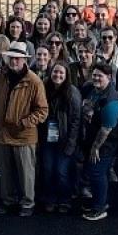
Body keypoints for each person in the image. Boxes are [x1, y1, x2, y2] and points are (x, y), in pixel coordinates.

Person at [0, 42, 48, 216]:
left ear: (24, 59)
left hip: (24, 134)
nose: (14, 61)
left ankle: (27, 203)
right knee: (6, 172)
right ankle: (8, 201)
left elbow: (43, 110)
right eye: (11, 58)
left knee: (26, 173)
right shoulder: (2, 76)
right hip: (4, 132)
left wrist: (24, 122)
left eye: (17, 58)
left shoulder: (34, 81)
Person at [80, 64, 118, 222]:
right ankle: (99, 201)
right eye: (94, 75)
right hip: (94, 135)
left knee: (96, 172)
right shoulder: (94, 90)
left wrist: (95, 148)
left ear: (109, 77)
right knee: (100, 172)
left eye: (100, 76)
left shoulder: (111, 101)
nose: (96, 78)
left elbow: (106, 130)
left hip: (106, 142)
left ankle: (99, 208)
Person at [38, 62, 81, 214]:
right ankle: (50, 198)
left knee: (61, 171)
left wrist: (71, 144)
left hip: (65, 140)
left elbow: (76, 121)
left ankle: (64, 199)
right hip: (48, 138)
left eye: (61, 73)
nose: (58, 75)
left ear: (66, 75)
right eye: (55, 72)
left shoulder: (73, 93)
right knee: (48, 170)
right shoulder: (44, 88)